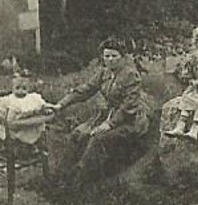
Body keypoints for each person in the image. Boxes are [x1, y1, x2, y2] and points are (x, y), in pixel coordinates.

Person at [48, 38, 152, 186]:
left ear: (122, 57)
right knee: (78, 134)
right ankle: (60, 176)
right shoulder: (103, 73)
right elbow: (85, 90)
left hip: (130, 118)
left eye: (114, 56)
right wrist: (61, 104)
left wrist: (110, 124)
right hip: (108, 114)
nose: (110, 60)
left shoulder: (130, 75)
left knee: (97, 139)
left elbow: (129, 105)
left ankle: (79, 181)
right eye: (107, 56)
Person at [0, 74, 55, 147]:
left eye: (24, 88)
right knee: (13, 128)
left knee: (37, 123)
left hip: (30, 126)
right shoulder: (8, 100)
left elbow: (42, 105)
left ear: (28, 89)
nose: (21, 91)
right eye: (17, 88)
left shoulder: (32, 98)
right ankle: (21, 147)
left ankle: (32, 146)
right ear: (12, 89)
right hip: (14, 128)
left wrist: (47, 109)